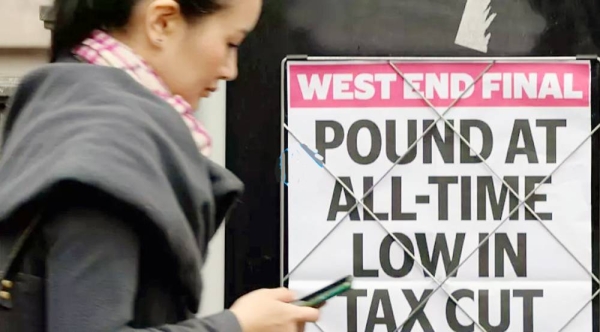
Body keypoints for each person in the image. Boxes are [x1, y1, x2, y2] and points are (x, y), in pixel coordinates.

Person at [0, 0, 320, 331]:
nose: (230, 69)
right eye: (231, 43)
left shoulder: (68, 117)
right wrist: (238, 326)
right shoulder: (109, 153)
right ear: (162, 22)